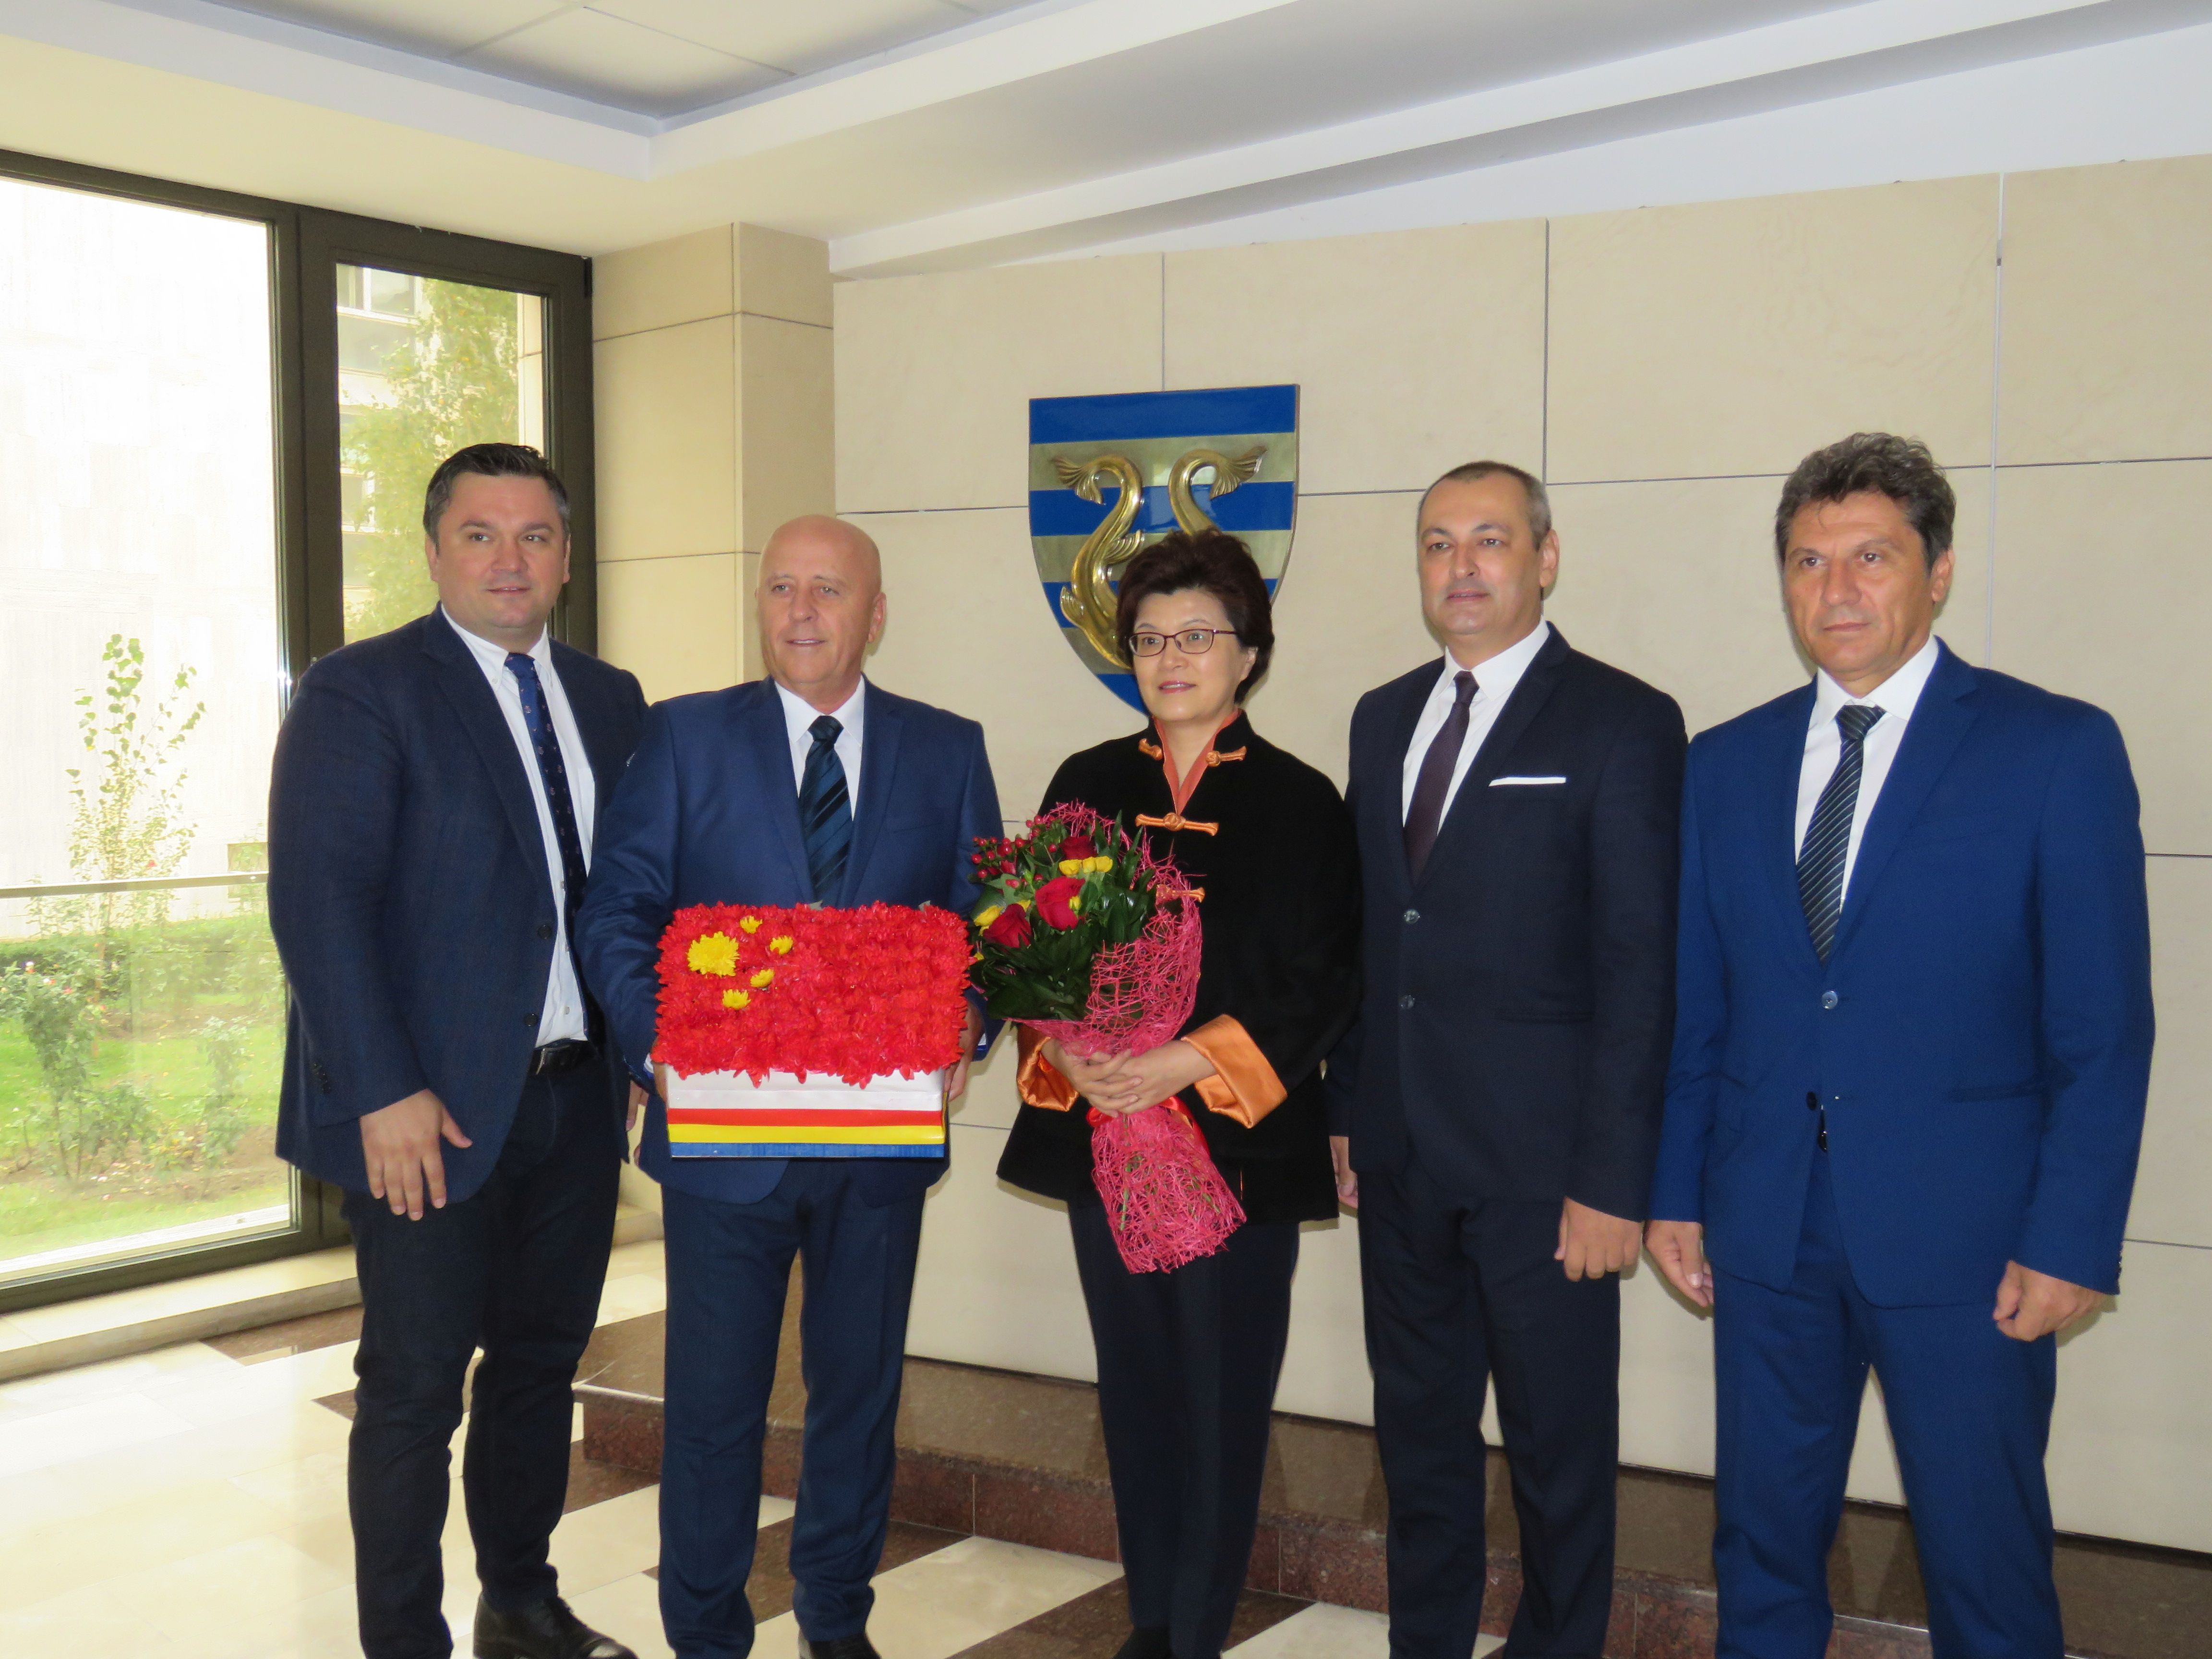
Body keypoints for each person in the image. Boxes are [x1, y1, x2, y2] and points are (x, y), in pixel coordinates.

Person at [1645, 433, 2153, 1659]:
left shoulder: (2055, 749)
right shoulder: (1725, 764)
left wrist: (2071, 1238)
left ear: (1940, 571)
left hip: (1970, 1244)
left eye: (1871, 557)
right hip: (1766, 1226)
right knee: (1761, 1551)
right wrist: (1674, 1191)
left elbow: (2104, 1029)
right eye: (1808, 561)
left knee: (1984, 1563)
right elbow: (1699, 1007)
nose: (1837, 590)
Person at [575, 515, 998, 1659]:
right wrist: (661, 1042)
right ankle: (706, 1633)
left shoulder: (946, 748)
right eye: (780, 588)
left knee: (857, 1400)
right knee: (712, 1410)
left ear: (876, 613)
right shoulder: (683, 737)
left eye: (828, 589)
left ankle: (835, 1618)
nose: (801, 611)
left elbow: (985, 923)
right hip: (723, 1146)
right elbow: (618, 909)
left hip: (879, 1150)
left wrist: (968, 1014)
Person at [268, 442, 649, 1659]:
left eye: (535, 535)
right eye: (480, 534)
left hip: (576, 1101)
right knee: (414, 1391)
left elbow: (631, 897)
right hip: (428, 1115)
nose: (509, 559)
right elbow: (319, 903)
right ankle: (404, 1643)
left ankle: (520, 1606)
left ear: (568, 557)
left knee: (539, 1368)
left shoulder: (610, 698)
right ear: (435, 552)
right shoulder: (361, 689)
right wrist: (382, 1090)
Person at [1327, 462, 1686, 1659]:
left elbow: (1641, 969)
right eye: (1439, 544)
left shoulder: (1624, 720)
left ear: (1547, 557)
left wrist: (1615, 1181)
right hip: (1401, 1156)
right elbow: (1375, 934)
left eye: (1490, 540)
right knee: (1418, 1442)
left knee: (1557, 1453)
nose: (1463, 566)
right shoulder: (1383, 716)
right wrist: (1347, 1107)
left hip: (1548, 1175)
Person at [997, 527, 1360, 1659]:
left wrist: (1185, 1062)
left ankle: (1197, 1630)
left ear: (1249, 652)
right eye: (1151, 640)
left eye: (1197, 637)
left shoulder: (1303, 802)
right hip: (1107, 1137)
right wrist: (1076, 1057)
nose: (1172, 660)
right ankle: (1152, 1618)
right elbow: (1025, 941)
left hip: (1233, 1154)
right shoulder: (1087, 783)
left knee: (1219, 1398)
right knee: (1137, 1388)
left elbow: (1323, 982)